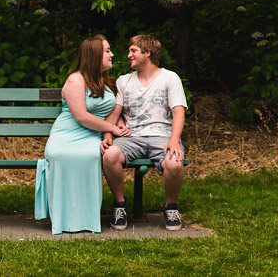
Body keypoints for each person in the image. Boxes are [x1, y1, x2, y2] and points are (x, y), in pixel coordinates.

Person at [34, 34, 129, 234]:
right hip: (68, 134)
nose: (112, 54)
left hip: (92, 137)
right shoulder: (75, 80)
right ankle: (62, 219)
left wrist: (116, 127)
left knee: (91, 156)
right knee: (61, 155)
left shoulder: (107, 81)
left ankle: (87, 219)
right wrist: (111, 129)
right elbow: (81, 116)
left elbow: (115, 110)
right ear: (94, 55)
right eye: (107, 51)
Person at [101, 34, 188, 231]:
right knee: (110, 155)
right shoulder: (124, 81)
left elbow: (178, 112)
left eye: (133, 51)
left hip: (163, 136)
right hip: (133, 137)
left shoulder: (169, 78)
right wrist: (108, 135)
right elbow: (115, 113)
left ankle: (171, 206)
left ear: (147, 53)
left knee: (174, 163)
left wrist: (174, 141)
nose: (129, 55)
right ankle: (120, 204)